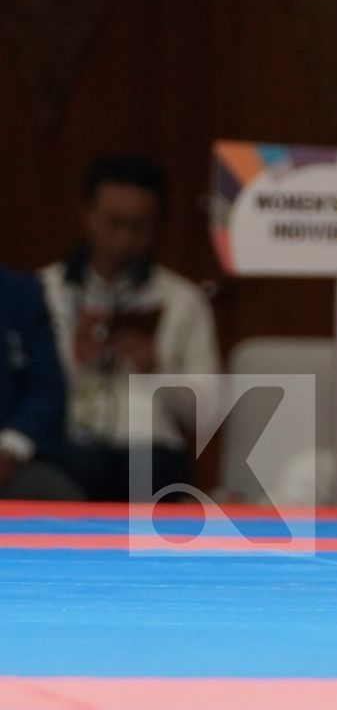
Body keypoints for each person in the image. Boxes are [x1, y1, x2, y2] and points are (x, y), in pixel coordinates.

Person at [39, 154, 221, 502]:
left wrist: (156, 369)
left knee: (151, 472)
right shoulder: (46, 290)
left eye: (139, 227)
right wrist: (74, 358)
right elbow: (25, 393)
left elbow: (208, 413)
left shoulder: (183, 299)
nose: (124, 239)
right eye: (114, 223)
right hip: (70, 441)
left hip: (151, 447)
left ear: (156, 226)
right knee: (66, 469)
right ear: (88, 215)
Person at [0, 266, 84, 500]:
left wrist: (9, 449)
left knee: (55, 494)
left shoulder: (20, 293)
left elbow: (48, 388)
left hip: (10, 455)